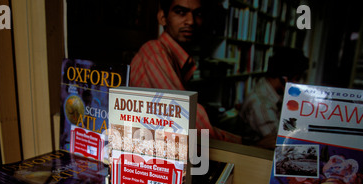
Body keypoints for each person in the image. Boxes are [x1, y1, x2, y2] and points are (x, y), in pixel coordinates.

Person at [130, 0, 241, 143]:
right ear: (162, 17)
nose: (191, 21)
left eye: (198, 14)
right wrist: (246, 144)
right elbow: (186, 121)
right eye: (181, 12)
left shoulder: (172, 56)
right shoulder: (155, 52)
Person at [238, 47, 309, 149]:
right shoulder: (262, 104)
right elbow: (284, 142)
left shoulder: (269, 90)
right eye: (297, 79)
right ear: (284, 78)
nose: (298, 83)